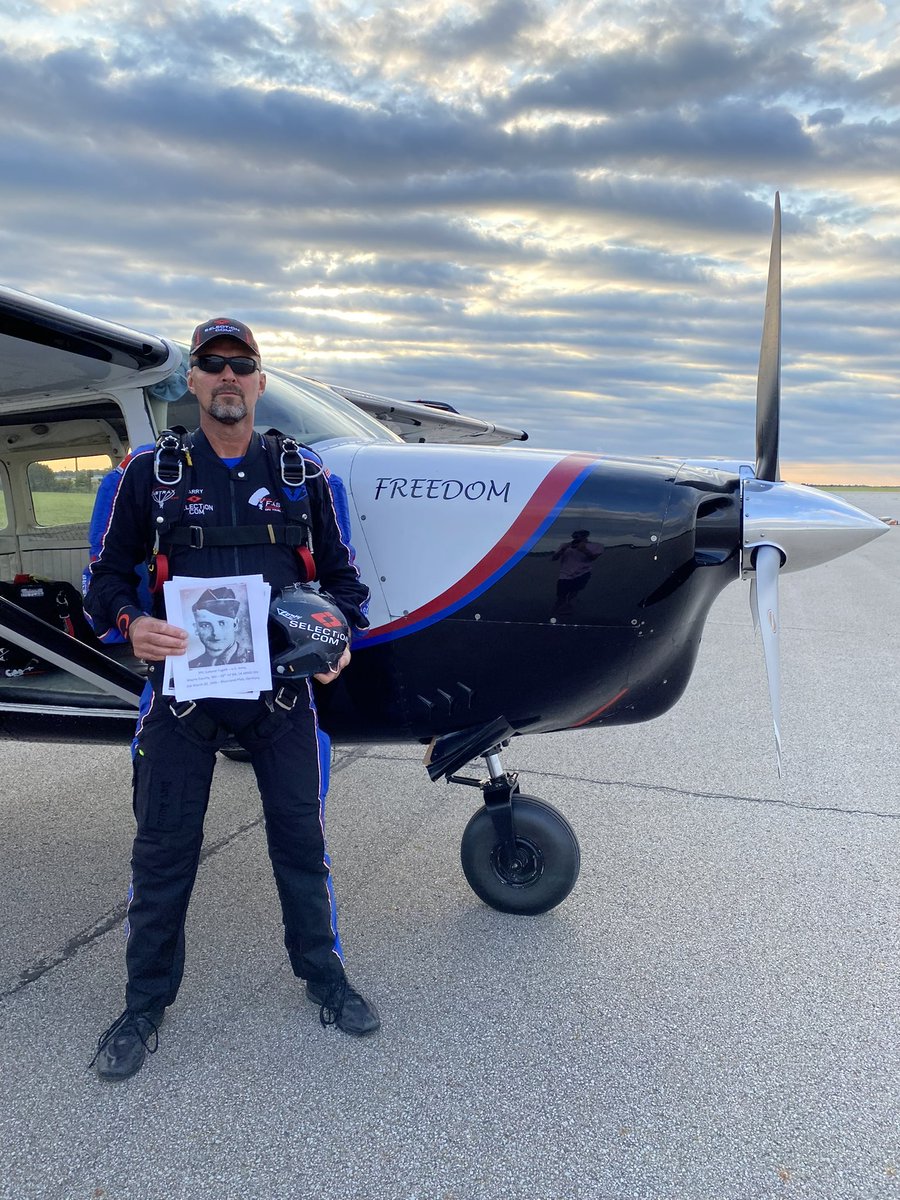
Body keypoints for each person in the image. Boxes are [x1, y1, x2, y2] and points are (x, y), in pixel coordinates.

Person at [85, 316, 378, 1081]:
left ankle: (324, 976)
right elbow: (104, 583)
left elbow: (345, 584)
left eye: (238, 364)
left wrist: (339, 638)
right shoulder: (150, 474)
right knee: (161, 855)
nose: (225, 377)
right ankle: (143, 1005)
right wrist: (132, 622)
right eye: (209, 364)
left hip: (281, 698)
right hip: (183, 698)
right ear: (191, 380)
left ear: (260, 379)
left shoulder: (303, 475)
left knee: (302, 848)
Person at [188, 586, 253, 668]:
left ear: (235, 624)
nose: (215, 633)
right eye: (205, 625)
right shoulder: (191, 667)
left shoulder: (254, 660)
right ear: (196, 628)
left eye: (222, 623)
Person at [551, 529, 603, 619]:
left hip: (582, 573)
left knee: (574, 595)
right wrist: (563, 550)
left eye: (580, 536)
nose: (577, 538)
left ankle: (571, 612)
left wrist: (584, 550)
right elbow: (554, 558)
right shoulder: (565, 545)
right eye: (575, 536)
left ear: (585, 536)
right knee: (560, 596)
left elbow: (593, 557)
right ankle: (554, 614)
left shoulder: (595, 546)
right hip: (564, 575)